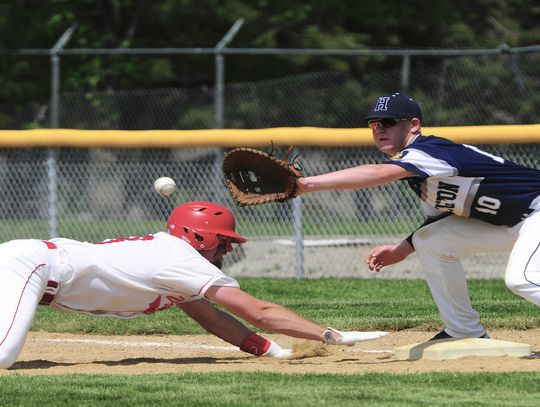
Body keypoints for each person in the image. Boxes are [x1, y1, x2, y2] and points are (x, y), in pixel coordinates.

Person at [0, 201, 388, 369]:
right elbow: (259, 311)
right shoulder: (178, 258)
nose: (226, 249)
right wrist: (327, 335)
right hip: (31, 266)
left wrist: (275, 353)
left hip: (31, 267)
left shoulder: (173, 262)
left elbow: (214, 320)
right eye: (222, 240)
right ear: (197, 237)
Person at [295, 92, 540, 340]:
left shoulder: (430, 151)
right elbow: (438, 222)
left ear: (413, 125)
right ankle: (464, 331)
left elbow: (378, 172)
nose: (379, 129)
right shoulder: (420, 175)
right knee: (429, 241)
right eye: (374, 124)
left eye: (388, 122)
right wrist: (402, 249)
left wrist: (305, 184)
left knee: (522, 279)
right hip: (517, 222)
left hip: (536, 211)